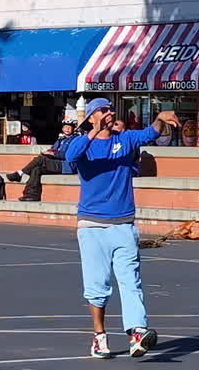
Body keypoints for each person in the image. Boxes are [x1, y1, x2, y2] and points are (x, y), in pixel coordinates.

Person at [63, 99, 172, 359]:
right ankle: (99, 336)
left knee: (130, 281)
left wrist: (161, 118)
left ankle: (137, 332)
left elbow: (150, 133)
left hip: (123, 224)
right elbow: (69, 156)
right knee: (96, 285)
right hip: (92, 226)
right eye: (103, 110)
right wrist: (93, 130)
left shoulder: (125, 140)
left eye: (110, 109)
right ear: (91, 117)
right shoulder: (83, 145)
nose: (109, 113)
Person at [7, 121, 79, 202]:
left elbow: (68, 155)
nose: (67, 129)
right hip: (56, 163)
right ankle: (31, 195)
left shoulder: (75, 140)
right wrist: (48, 152)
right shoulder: (61, 139)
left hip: (66, 165)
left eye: (69, 127)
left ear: (73, 129)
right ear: (62, 128)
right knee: (36, 169)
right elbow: (53, 149)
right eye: (65, 127)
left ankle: (20, 173)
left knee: (40, 159)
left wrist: (53, 153)